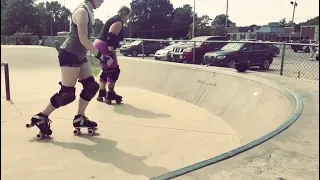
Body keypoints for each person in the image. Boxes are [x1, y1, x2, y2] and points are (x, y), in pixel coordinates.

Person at [28, 0, 114, 136]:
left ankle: (79, 118)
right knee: (67, 94)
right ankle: (41, 117)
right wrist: (101, 56)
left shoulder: (88, 11)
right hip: (69, 54)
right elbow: (83, 40)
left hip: (79, 55)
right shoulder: (81, 12)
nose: (103, 0)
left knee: (91, 86)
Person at [93, 6, 131, 104]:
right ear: (125, 14)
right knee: (113, 70)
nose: (128, 18)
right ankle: (110, 94)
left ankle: (101, 93)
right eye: (128, 16)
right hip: (105, 45)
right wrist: (111, 52)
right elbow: (111, 36)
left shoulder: (114, 18)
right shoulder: (118, 21)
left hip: (98, 44)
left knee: (106, 70)